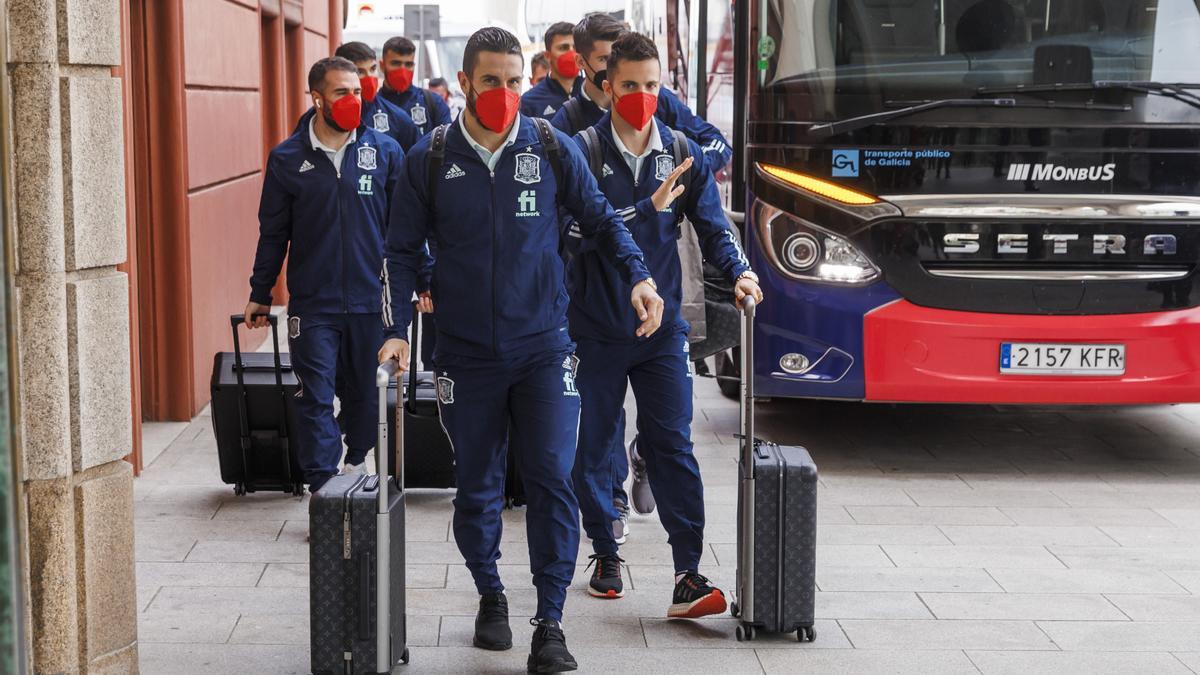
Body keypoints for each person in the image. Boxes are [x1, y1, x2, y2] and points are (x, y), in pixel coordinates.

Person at [378, 27, 663, 674]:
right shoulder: (429, 158)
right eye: (490, 81)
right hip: (466, 354)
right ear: (465, 85)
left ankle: (551, 619)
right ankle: (491, 593)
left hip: (544, 349)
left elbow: (600, 219)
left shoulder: (550, 147)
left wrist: (640, 277)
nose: (505, 93)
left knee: (551, 479)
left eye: (513, 80)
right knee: (476, 487)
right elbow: (397, 251)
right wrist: (395, 329)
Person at [566, 31, 762, 617]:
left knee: (673, 444)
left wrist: (743, 270)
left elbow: (712, 226)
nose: (642, 96)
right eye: (629, 85)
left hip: (664, 332)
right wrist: (643, 210)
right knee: (594, 447)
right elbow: (571, 235)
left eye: (652, 86)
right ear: (606, 86)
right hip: (596, 328)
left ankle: (688, 573)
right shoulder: (580, 152)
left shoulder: (680, 150)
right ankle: (605, 547)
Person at [245, 56, 402, 493]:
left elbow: (404, 229)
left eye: (357, 91)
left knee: (367, 397)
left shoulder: (384, 152)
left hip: (372, 301)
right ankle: (322, 487)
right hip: (314, 303)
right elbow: (273, 232)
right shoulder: (287, 159)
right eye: (341, 92)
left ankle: (354, 459)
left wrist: (422, 280)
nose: (354, 100)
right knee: (313, 396)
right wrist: (260, 291)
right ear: (317, 99)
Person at [552, 13, 732, 174]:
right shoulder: (568, 121)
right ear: (581, 61)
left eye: (619, 57)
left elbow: (716, 141)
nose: (615, 66)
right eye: (605, 59)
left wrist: (688, 172)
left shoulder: (658, 100)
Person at [292, 42, 420, 152]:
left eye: (373, 69)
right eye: (360, 72)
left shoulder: (397, 118)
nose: (369, 77)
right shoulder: (311, 120)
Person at [380, 36, 453, 136]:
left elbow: (447, 142)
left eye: (408, 64)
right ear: (382, 65)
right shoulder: (372, 106)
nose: (402, 70)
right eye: (396, 64)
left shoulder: (433, 102)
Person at [520, 21, 581, 119]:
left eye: (575, 48)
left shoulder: (592, 93)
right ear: (548, 56)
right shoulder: (530, 101)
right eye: (563, 48)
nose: (572, 53)